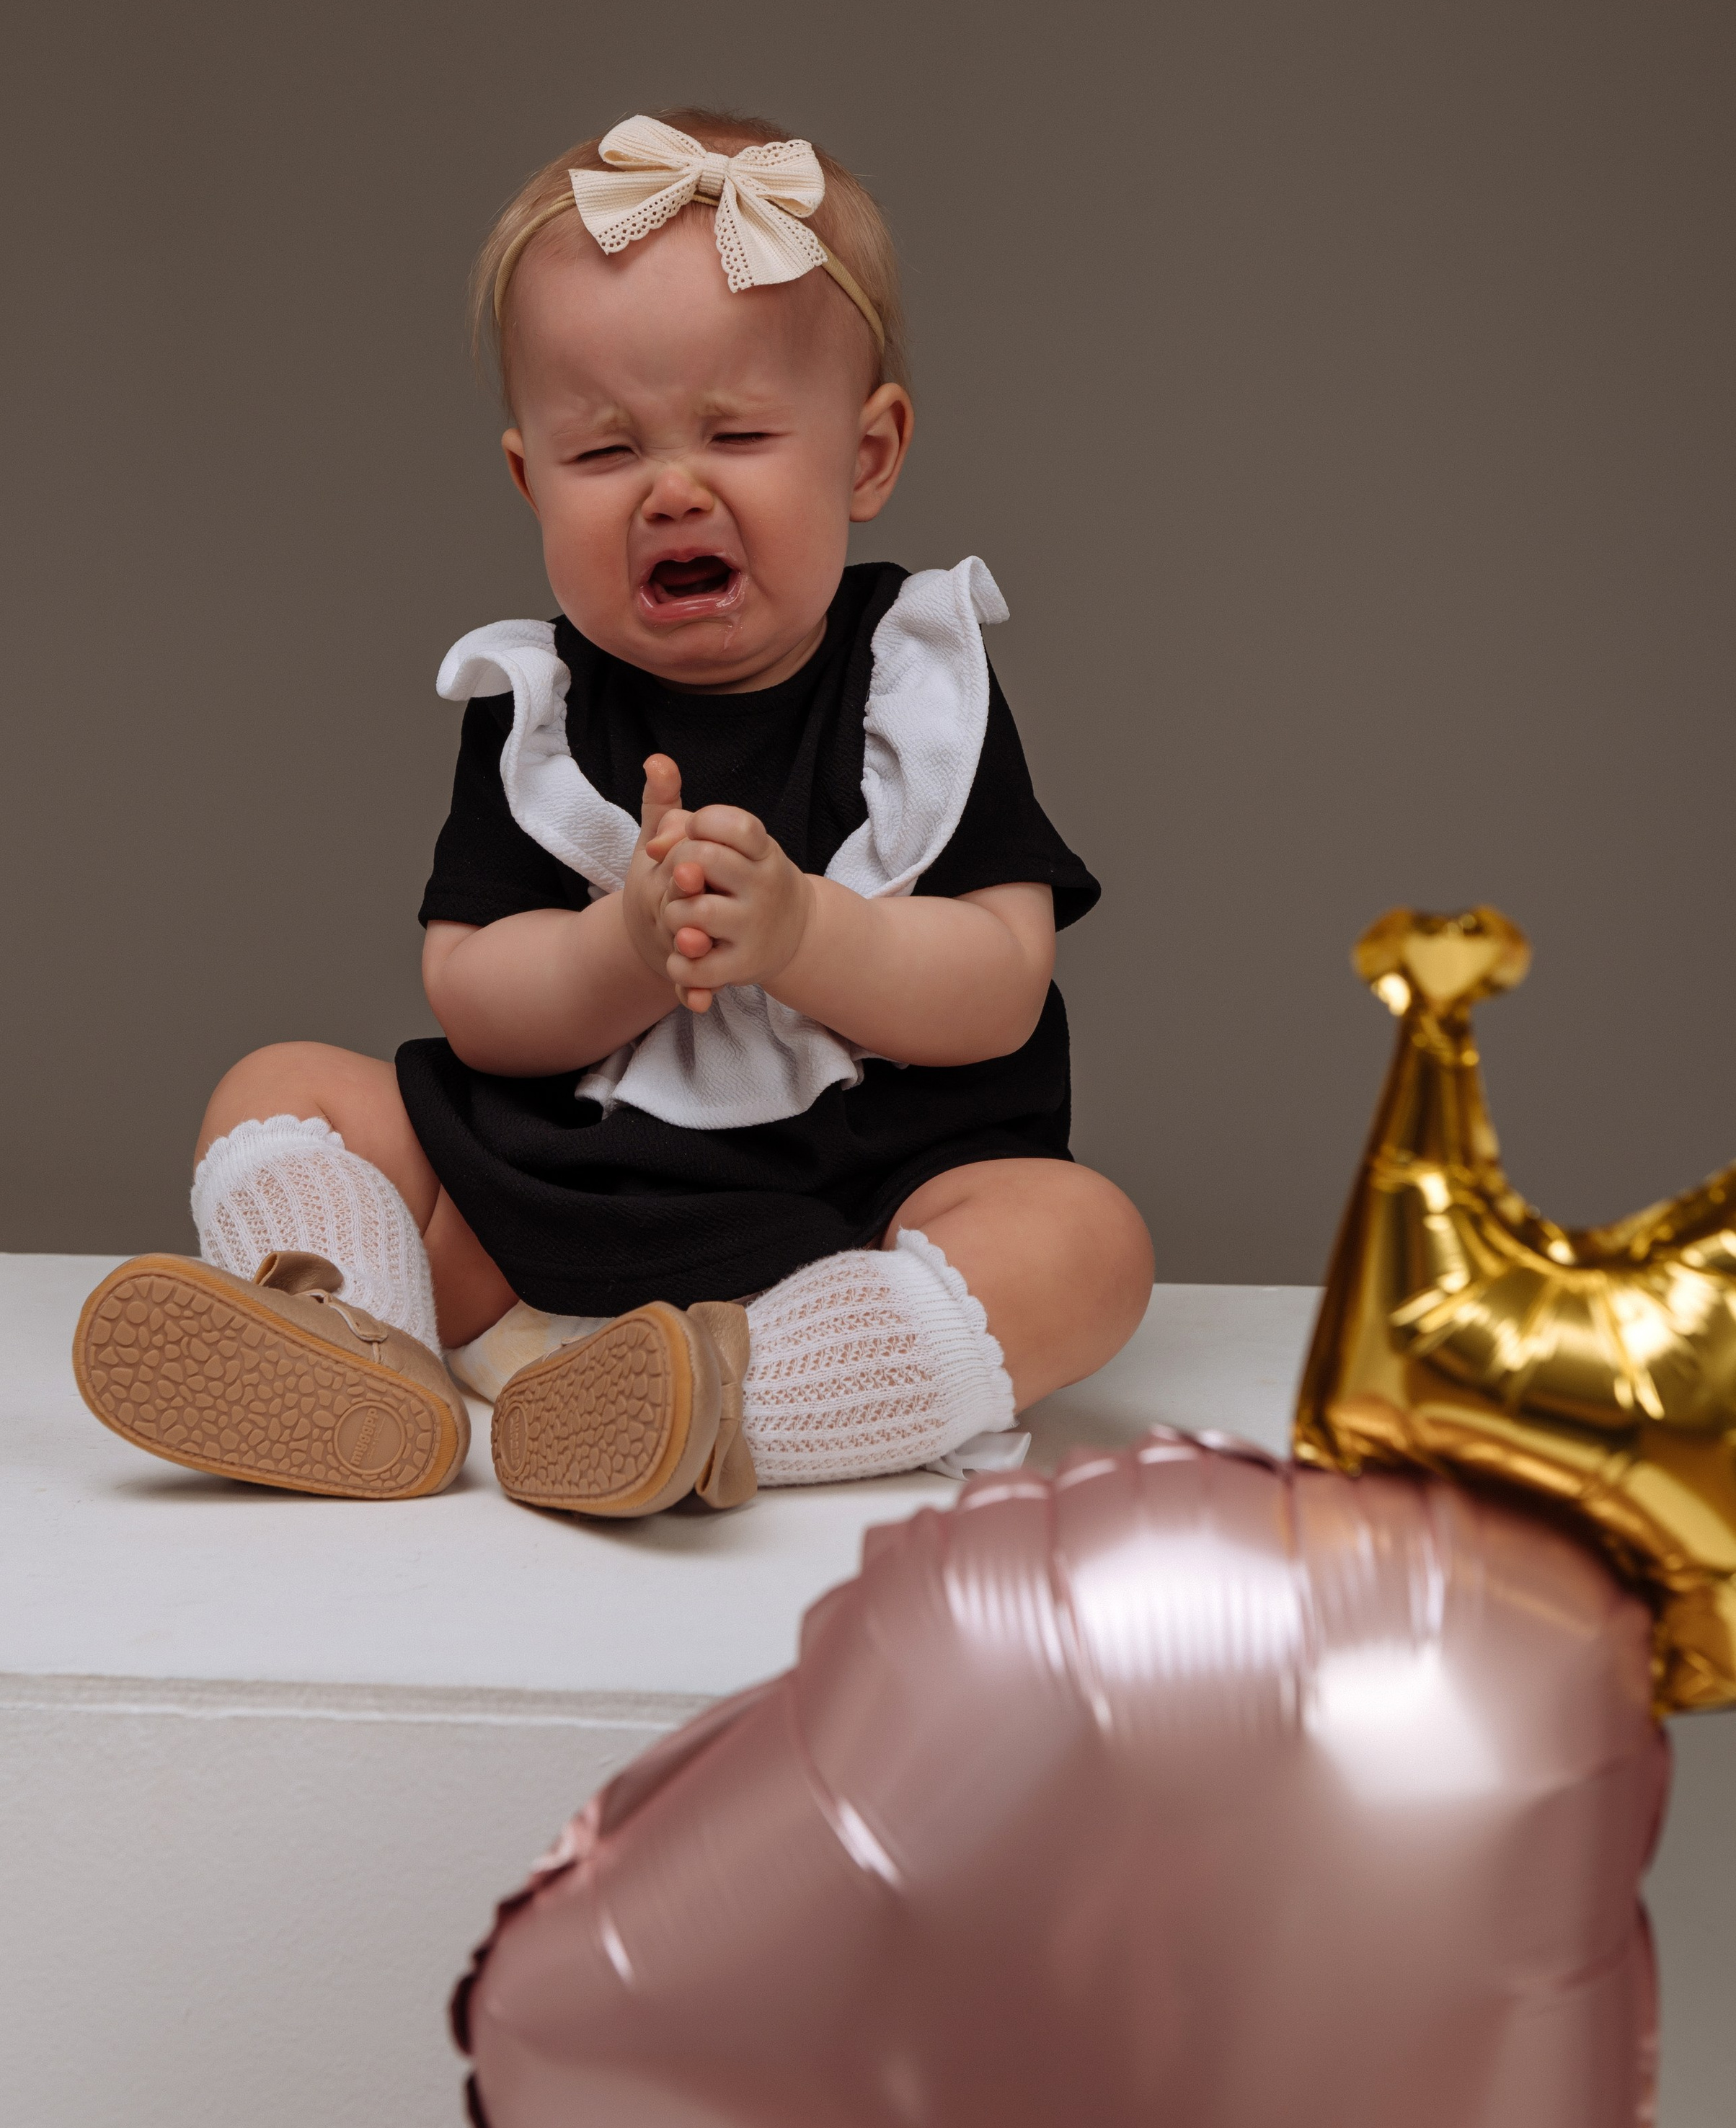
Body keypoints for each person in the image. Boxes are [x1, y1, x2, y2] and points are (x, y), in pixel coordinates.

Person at [74, 110, 1153, 1513]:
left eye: (739, 431)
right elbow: (471, 995)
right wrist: (622, 951)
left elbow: (999, 986)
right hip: (524, 1228)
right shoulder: (538, 704)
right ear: (529, 480)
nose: (672, 488)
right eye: (604, 453)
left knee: (1081, 1244)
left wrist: (802, 930)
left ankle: (717, 1407)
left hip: (836, 1233)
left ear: (867, 453)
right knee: (274, 1087)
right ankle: (366, 1356)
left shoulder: (916, 686)